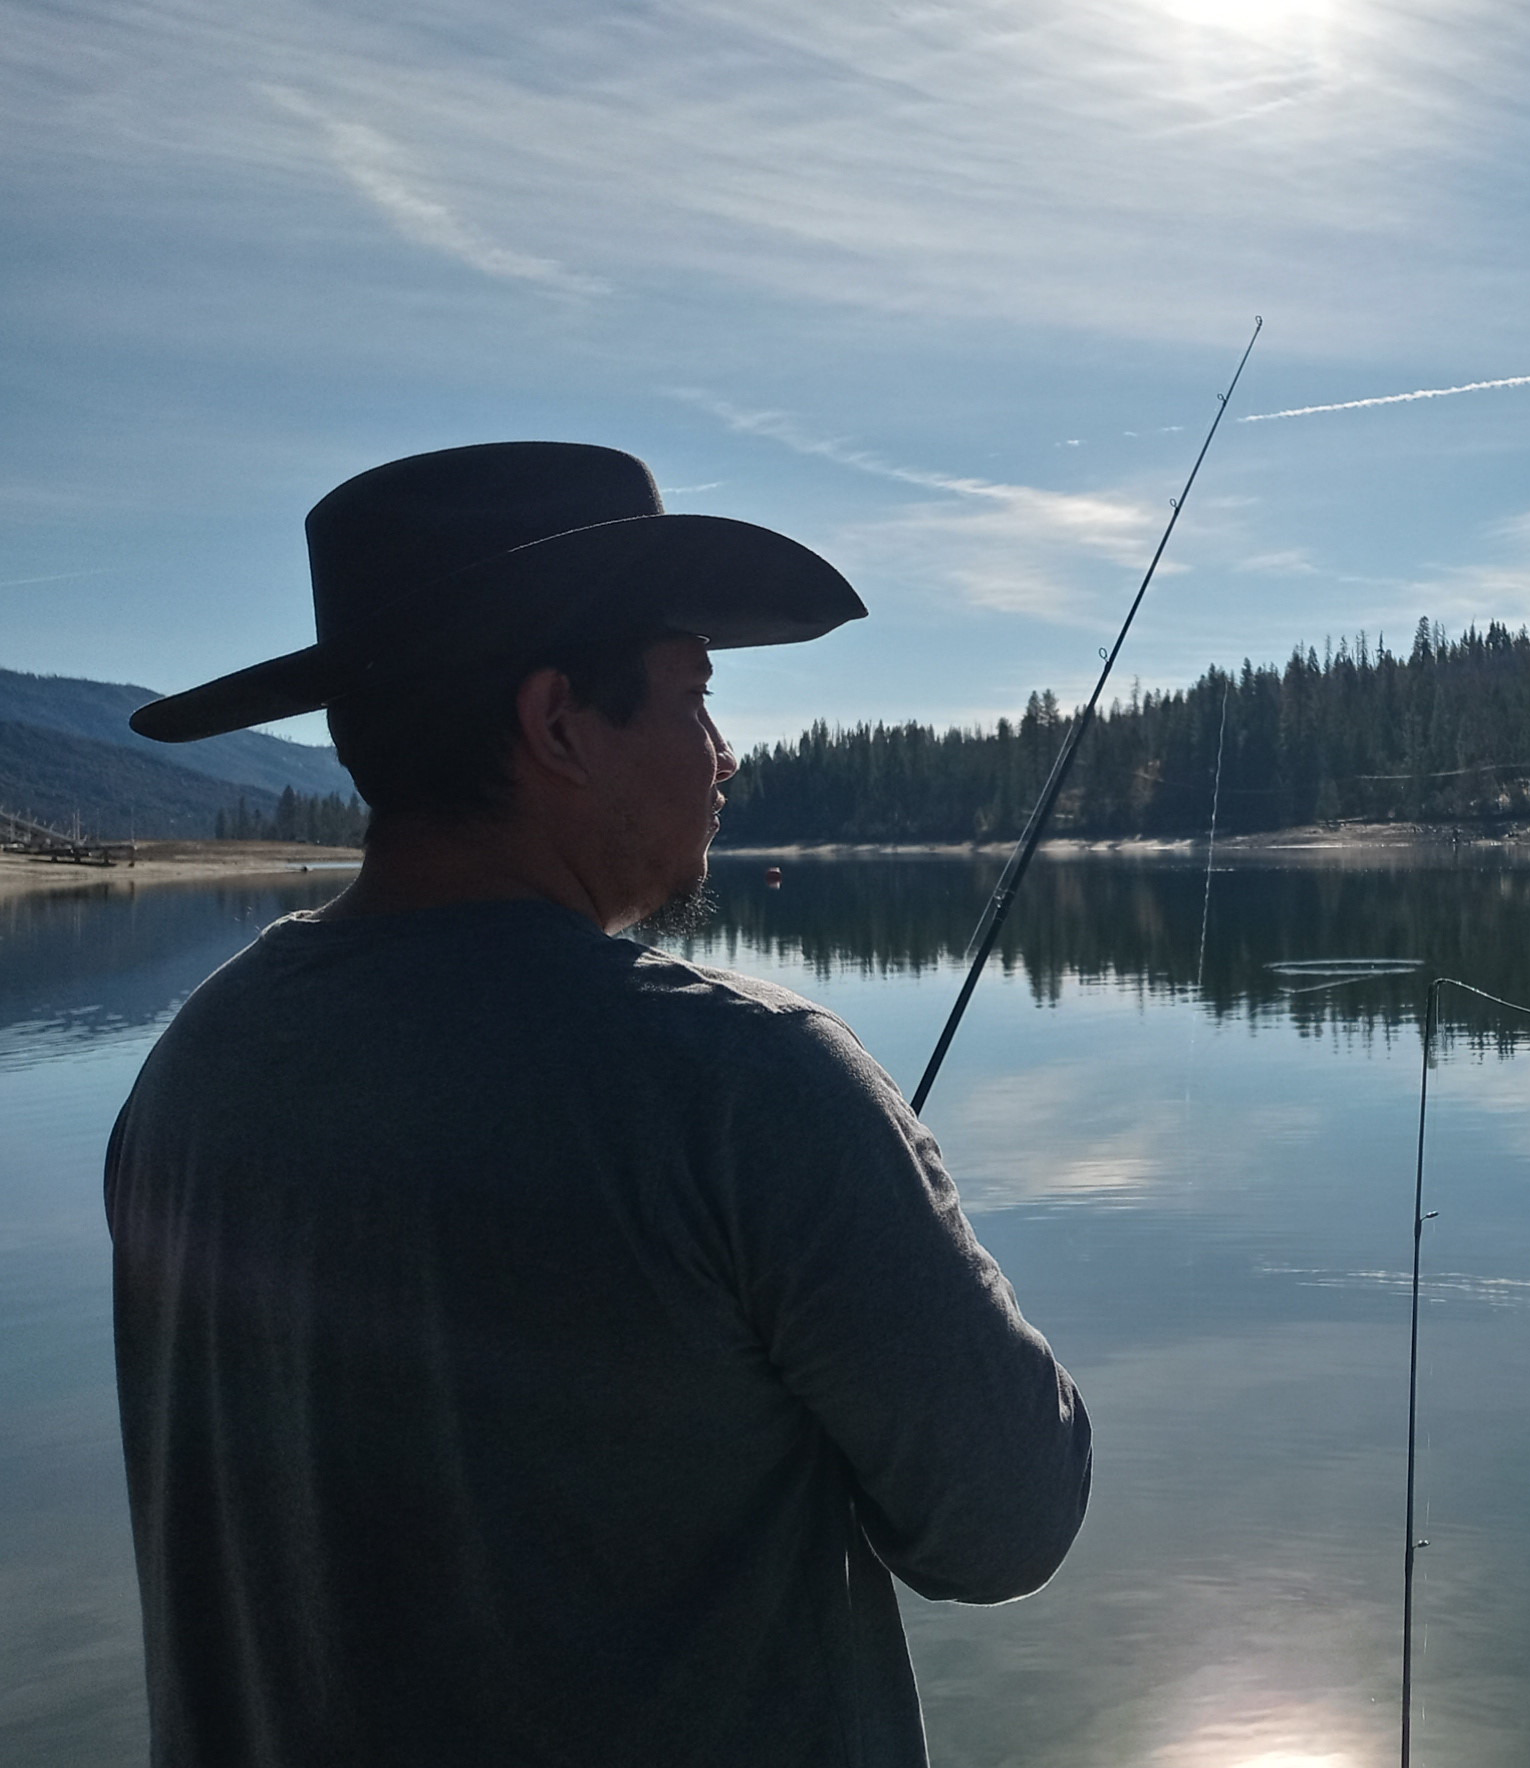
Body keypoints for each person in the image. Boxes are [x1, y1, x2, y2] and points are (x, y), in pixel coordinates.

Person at [108, 442, 1090, 1767]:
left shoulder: (195, 1065)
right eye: (691, 695)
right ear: (560, 723)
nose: (723, 755)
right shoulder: (747, 1083)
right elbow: (1005, 1523)